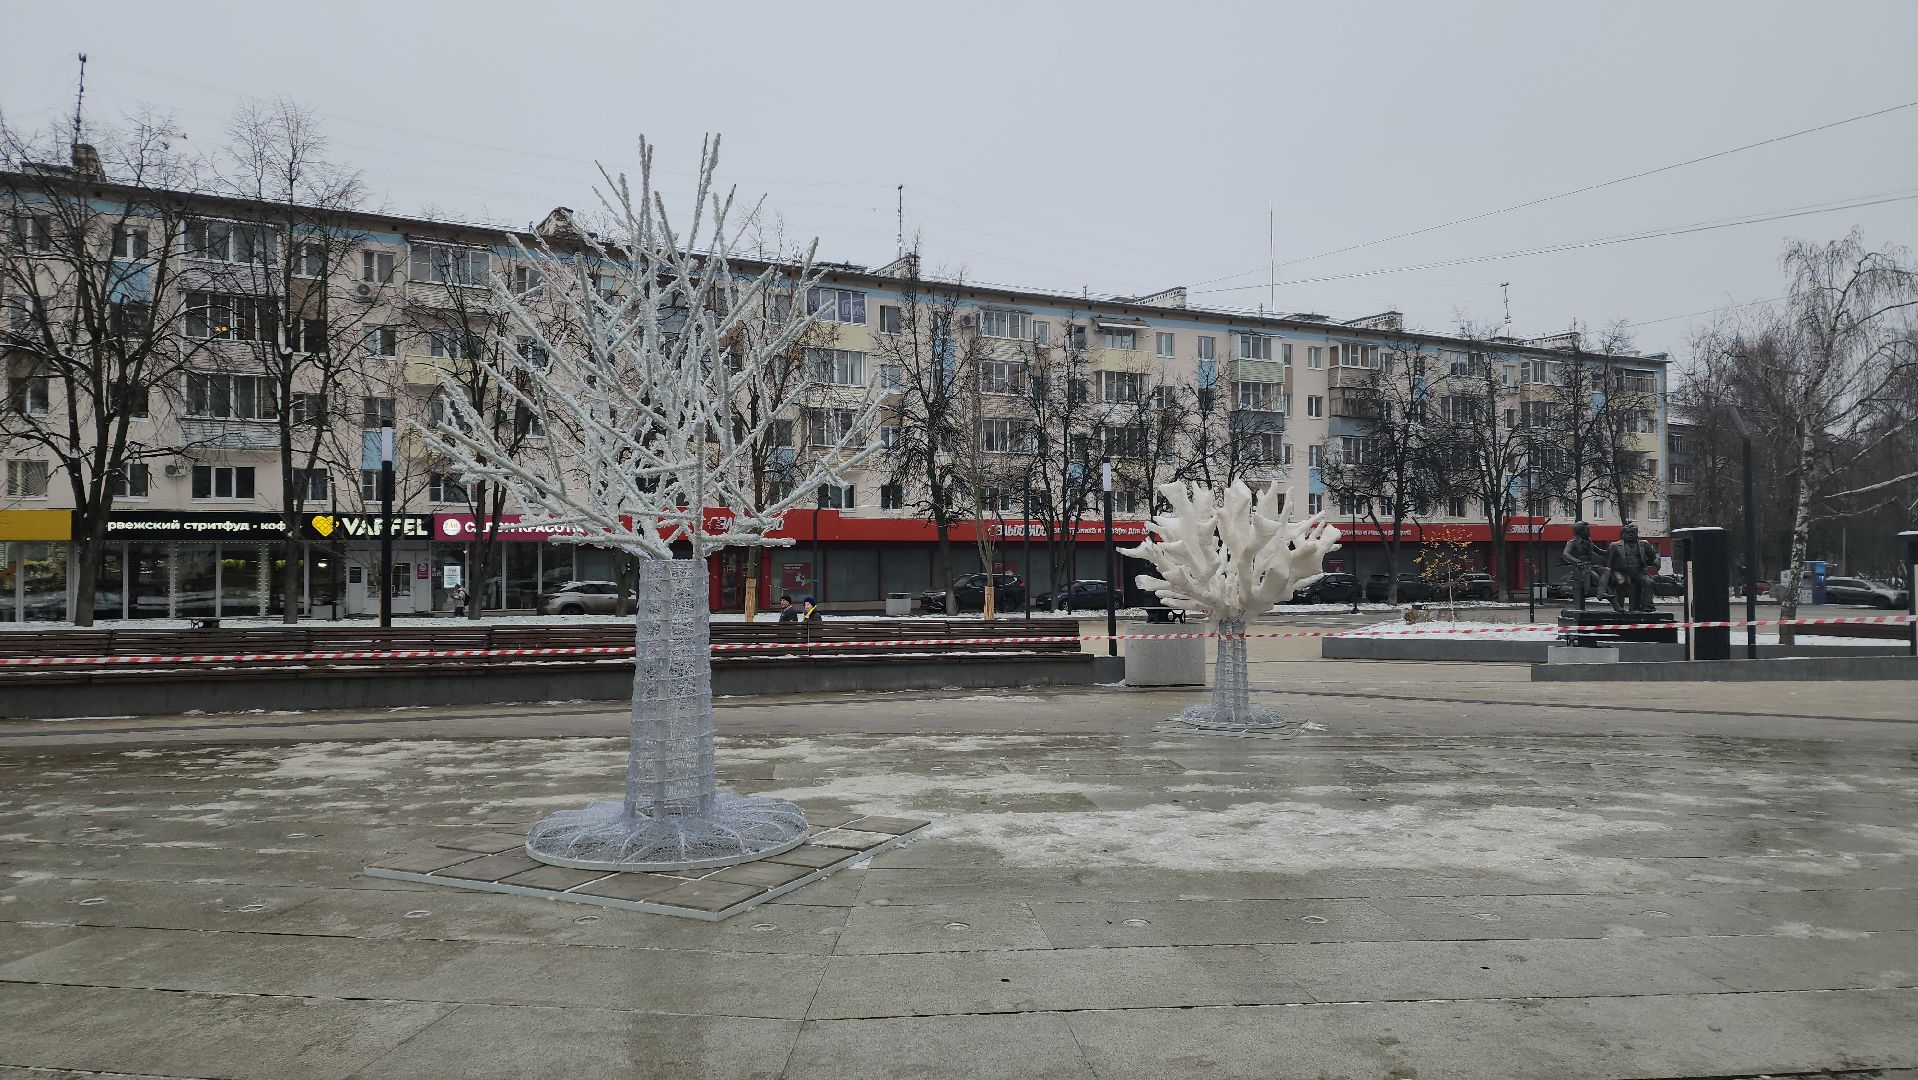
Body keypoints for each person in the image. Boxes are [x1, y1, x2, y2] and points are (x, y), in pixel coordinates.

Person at [1604, 522, 1660, 613]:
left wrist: (1657, 560)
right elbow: (1609, 563)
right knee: (1620, 582)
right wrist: (1609, 576)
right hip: (1621, 572)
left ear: (1636, 533)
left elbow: (1655, 554)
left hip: (1638, 572)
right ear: (1623, 534)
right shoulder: (1615, 546)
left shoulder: (1644, 544)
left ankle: (1647, 605)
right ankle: (1619, 607)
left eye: (1632, 532)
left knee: (1649, 582)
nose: (1630, 534)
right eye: (1628, 532)